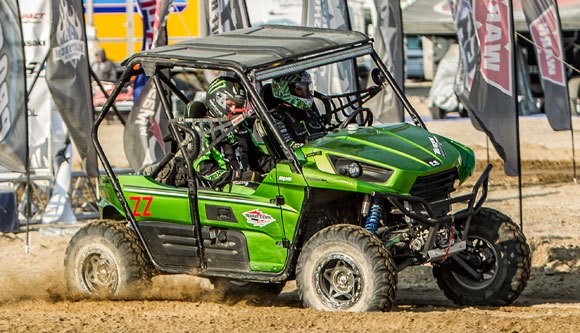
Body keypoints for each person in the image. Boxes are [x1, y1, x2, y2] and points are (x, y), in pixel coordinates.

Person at [195, 76, 278, 190]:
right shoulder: (202, 129)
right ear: (216, 101)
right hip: (221, 187)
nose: (235, 110)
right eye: (230, 105)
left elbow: (258, 159)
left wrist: (282, 166)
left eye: (238, 105)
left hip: (245, 182)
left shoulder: (240, 126)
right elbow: (204, 169)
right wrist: (238, 176)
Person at [270, 71, 326, 149]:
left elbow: (323, 132)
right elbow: (291, 148)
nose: (305, 92)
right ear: (285, 89)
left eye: (306, 88)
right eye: (300, 89)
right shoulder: (277, 118)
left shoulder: (306, 111)